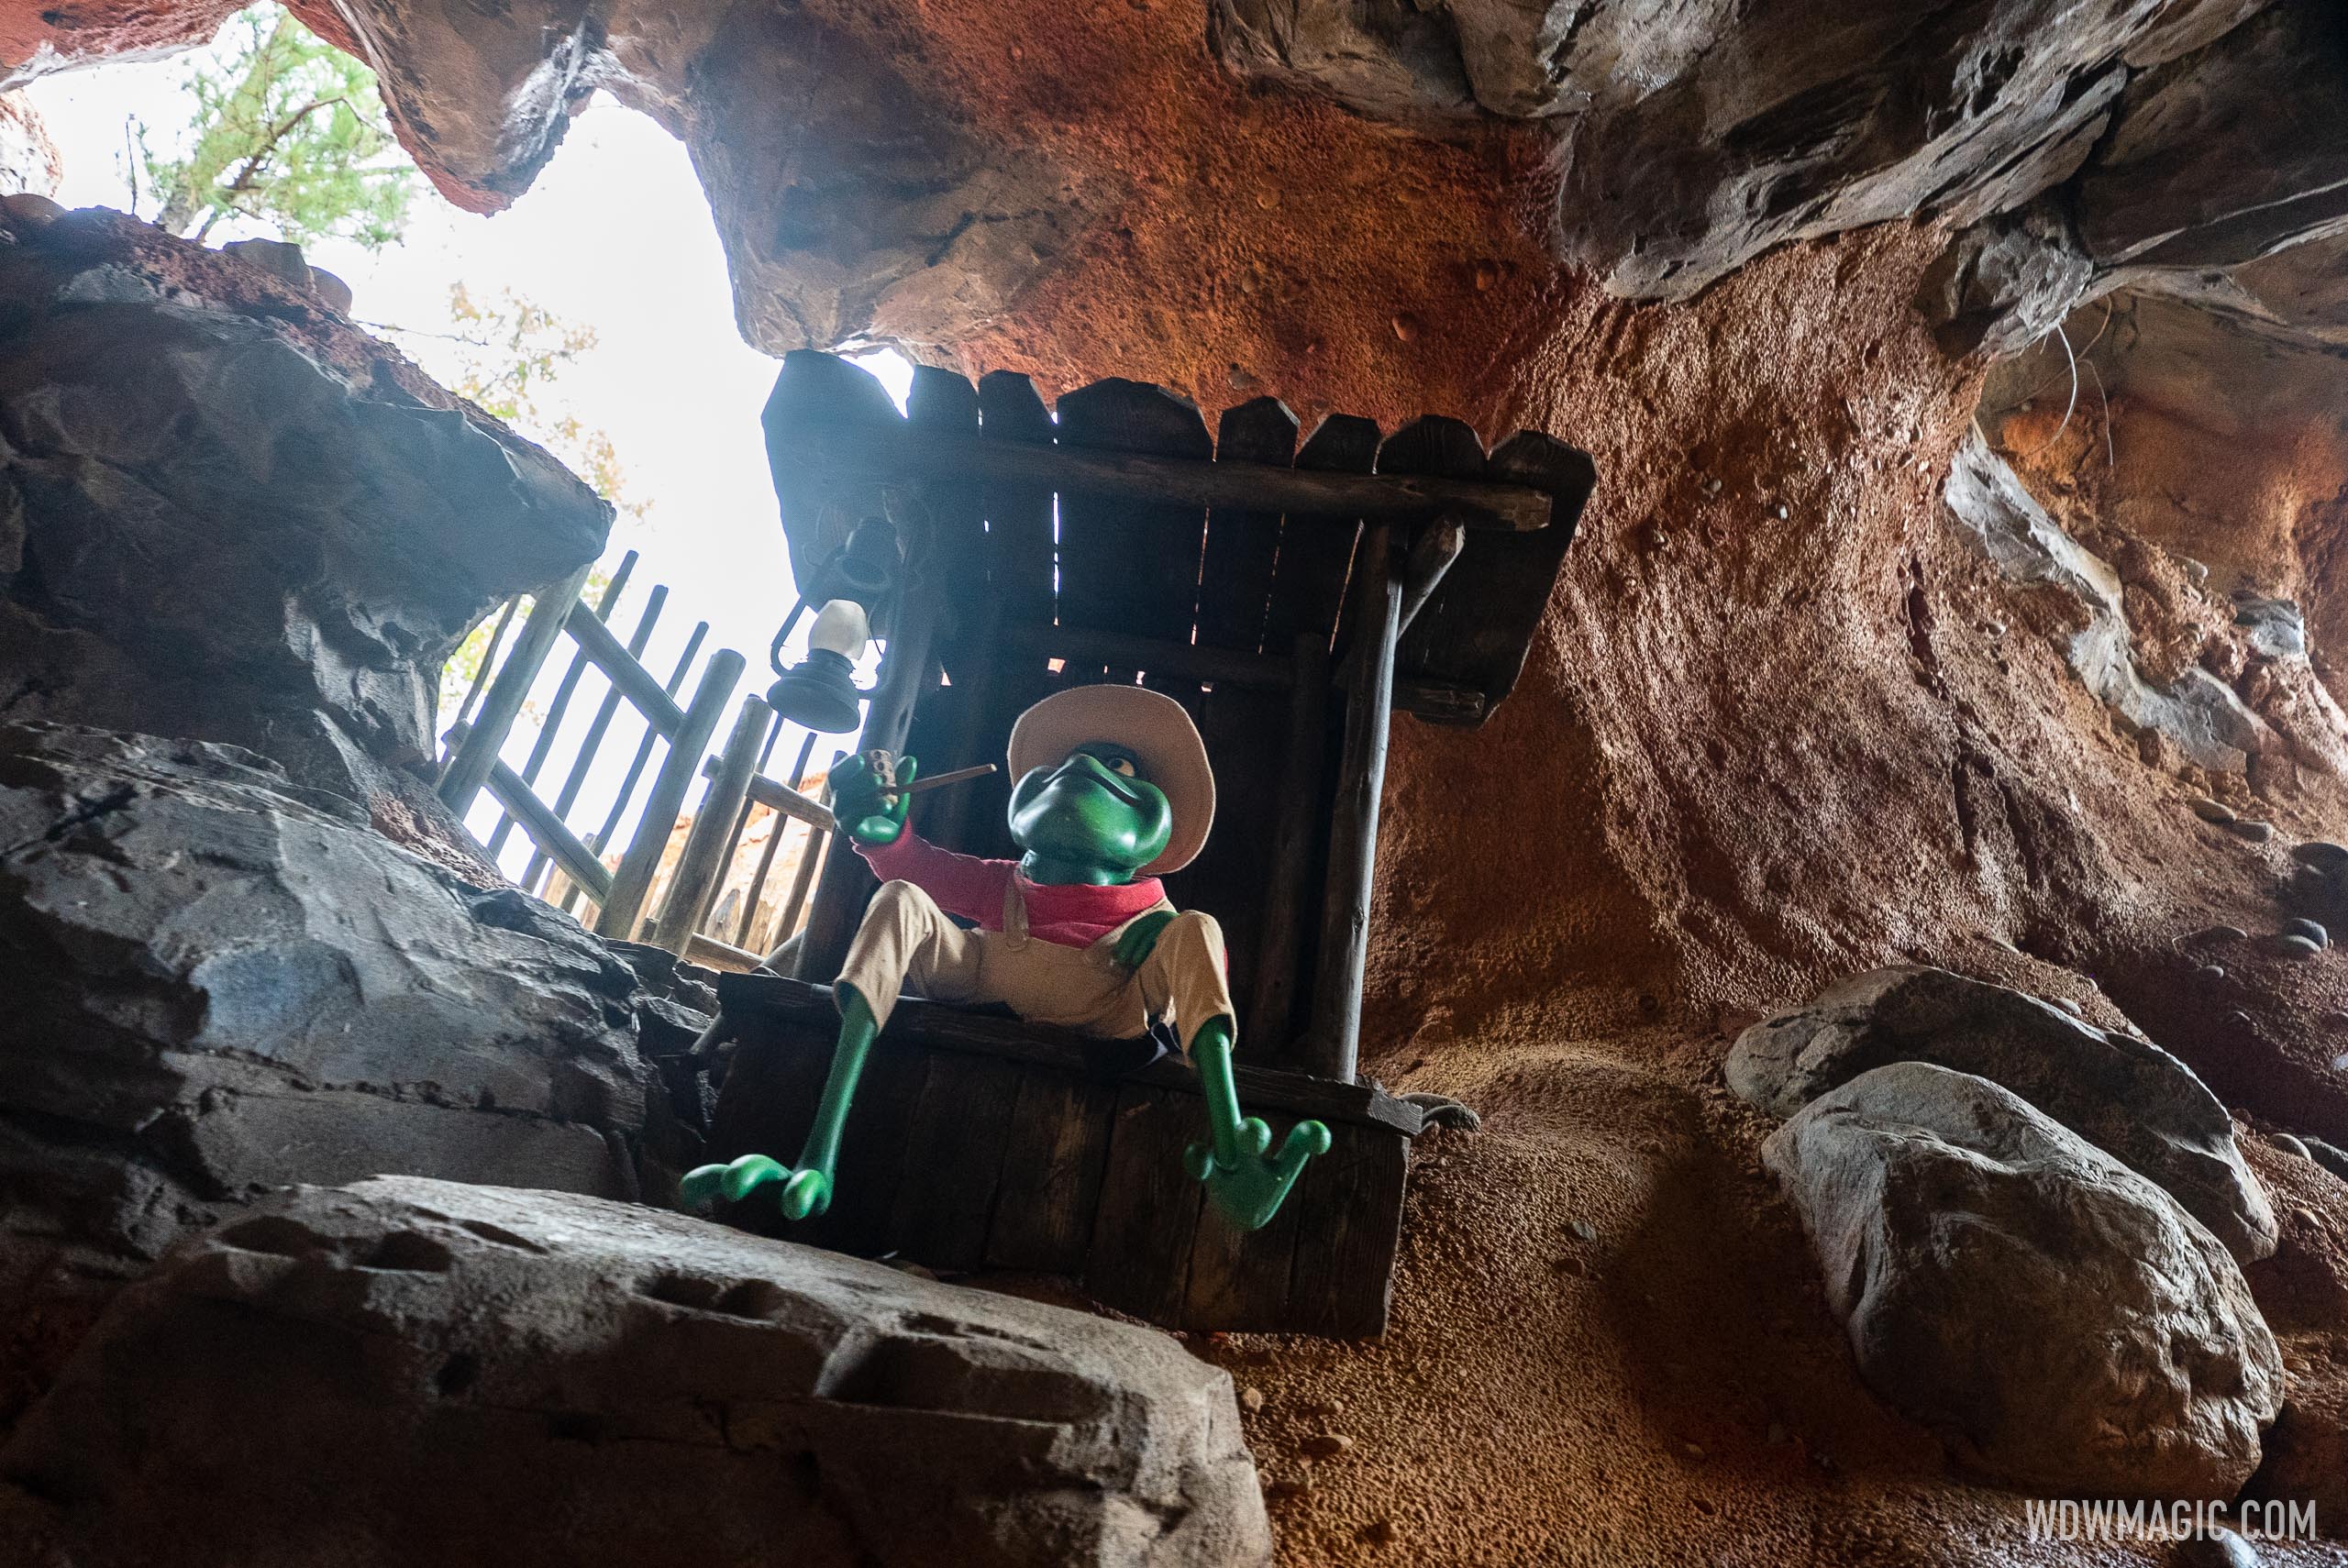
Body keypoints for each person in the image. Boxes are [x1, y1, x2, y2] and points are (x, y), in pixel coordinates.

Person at [682, 683, 1327, 1231]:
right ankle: (816, 1156)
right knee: (902, 898)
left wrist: (1161, 932)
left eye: (1122, 769)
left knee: (1199, 929)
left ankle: (1231, 1143)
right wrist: (885, 838)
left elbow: (1186, 963)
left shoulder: (1158, 920)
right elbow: (919, 869)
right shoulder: (1002, 881)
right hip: (987, 977)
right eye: (1070, 761)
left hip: (1105, 1003)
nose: (1086, 770)